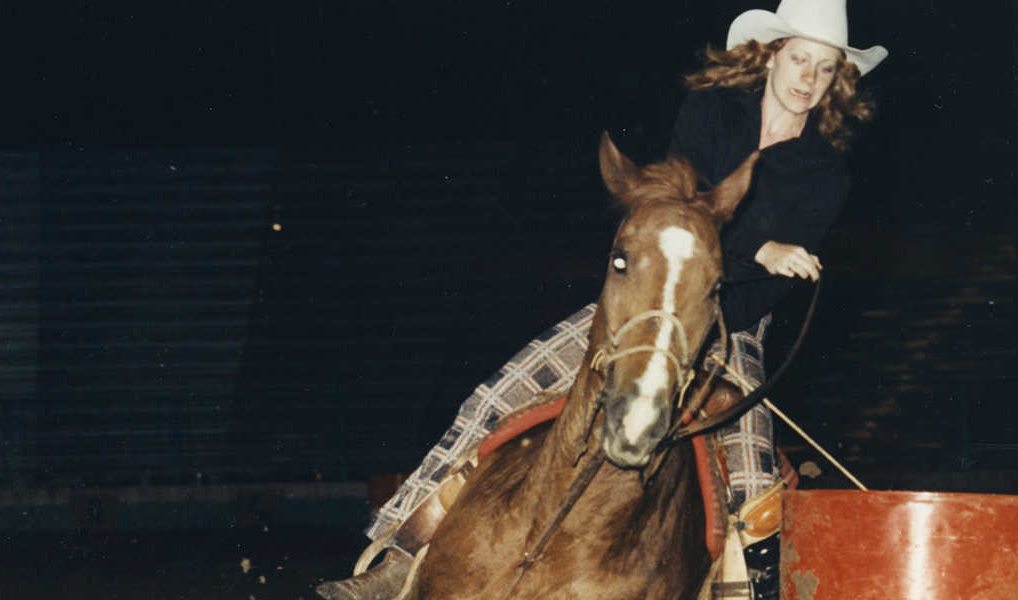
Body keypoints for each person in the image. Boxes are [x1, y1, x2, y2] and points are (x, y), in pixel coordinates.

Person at [318, 1, 885, 598]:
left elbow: (759, 292)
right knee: (493, 398)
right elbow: (672, 210)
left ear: (837, 81)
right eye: (799, 59)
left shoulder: (827, 175)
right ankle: (398, 555)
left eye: (824, 69)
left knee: (753, 482)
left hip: (730, 327)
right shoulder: (711, 112)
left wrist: (759, 265)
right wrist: (763, 247)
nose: (807, 79)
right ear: (770, 55)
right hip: (646, 299)